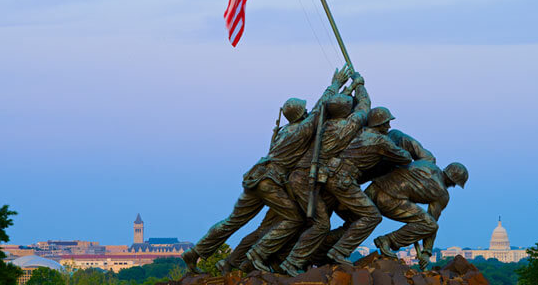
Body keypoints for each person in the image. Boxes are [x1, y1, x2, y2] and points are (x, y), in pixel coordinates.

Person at [181, 65, 351, 274]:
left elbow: (317, 112)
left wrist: (341, 94)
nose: (307, 112)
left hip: (256, 177)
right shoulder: (300, 130)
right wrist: (335, 84)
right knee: (294, 218)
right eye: (304, 111)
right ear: (299, 115)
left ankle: (196, 252)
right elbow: (319, 111)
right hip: (271, 182)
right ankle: (258, 254)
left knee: (233, 221)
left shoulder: (282, 132)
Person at [281, 106, 413, 275]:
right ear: (379, 123)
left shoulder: (360, 133)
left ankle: (309, 257)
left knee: (349, 220)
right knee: (372, 217)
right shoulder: (381, 141)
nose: (388, 127)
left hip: (330, 177)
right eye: (386, 123)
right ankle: (338, 251)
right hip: (343, 181)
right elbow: (405, 157)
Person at [365, 160, 468, 269]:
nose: (453, 186)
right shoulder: (442, 194)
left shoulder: (427, 164)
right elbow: (431, 223)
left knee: (354, 218)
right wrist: (427, 252)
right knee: (430, 225)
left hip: (374, 188)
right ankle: (387, 240)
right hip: (388, 199)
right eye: (455, 184)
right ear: (452, 180)